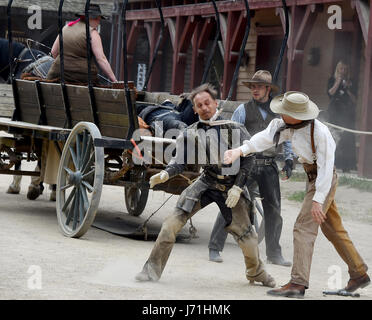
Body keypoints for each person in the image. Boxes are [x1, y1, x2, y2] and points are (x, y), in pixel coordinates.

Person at [224, 91, 370, 298]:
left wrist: (318, 200)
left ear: (298, 115)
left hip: (323, 181)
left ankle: (297, 283)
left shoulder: (321, 133)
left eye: (285, 111)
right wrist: (239, 151)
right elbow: (263, 139)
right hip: (312, 178)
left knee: (303, 227)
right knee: (333, 229)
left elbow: (327, 169)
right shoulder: (282, 124)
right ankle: (359, 274)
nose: (281, 114)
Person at [135, 83, 276, 288]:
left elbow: (249, 159)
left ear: (215, 104)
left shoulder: (234, 128)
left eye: (207, 103)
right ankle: (150, 271)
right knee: (169, 226)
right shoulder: (191, 132)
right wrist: (165, 173)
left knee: (248, 238)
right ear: (194, 109)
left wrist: (238, 187)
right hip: (206, 182)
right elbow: (180, 161)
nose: (204, 108)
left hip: (231, 188)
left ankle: (257, 274)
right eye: (199, 105)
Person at [208, 70, 293, 267]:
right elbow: (231, 135)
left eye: (259, 87)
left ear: (268, 89)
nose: (255, 90)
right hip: (247, 164)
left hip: (269, 166)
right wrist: (230, 159)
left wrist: (289, 159)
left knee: (274, 210)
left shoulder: (279, 113)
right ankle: (214, 247)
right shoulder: (243, 110)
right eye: (252, 87)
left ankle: (274, 253)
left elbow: (287, 136)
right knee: (231, 203)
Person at [47, 4, 117, 84]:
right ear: (92, 18)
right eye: (98, 19)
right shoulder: (92, 33)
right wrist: (114, 80)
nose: (98, 22)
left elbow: (53, 52)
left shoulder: (65, 28)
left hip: (57, 75)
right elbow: (101, 59)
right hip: (83, 78)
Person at [327, 61, 357, 172]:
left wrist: (348, 88)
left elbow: (355, 100)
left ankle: (346, 166)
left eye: (345, 69)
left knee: (346, 138)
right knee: (333, 138)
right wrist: (337, 82)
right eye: (341, 69)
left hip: (346, 113)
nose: (343, 71)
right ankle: (332, 164)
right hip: (334, 113)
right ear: (338, 70)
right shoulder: (331, 80)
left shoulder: (351, 82)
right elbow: (330, 93)